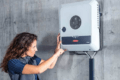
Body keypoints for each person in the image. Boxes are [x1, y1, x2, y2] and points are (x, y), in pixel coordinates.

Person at [0, 32, 66, 80]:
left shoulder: (32, 58)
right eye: (34, 47)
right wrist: (55, 55)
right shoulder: (13, 62)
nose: (36, 49)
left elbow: (50, 65)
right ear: (24, 47)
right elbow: (39, 70)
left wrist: (56, 51)